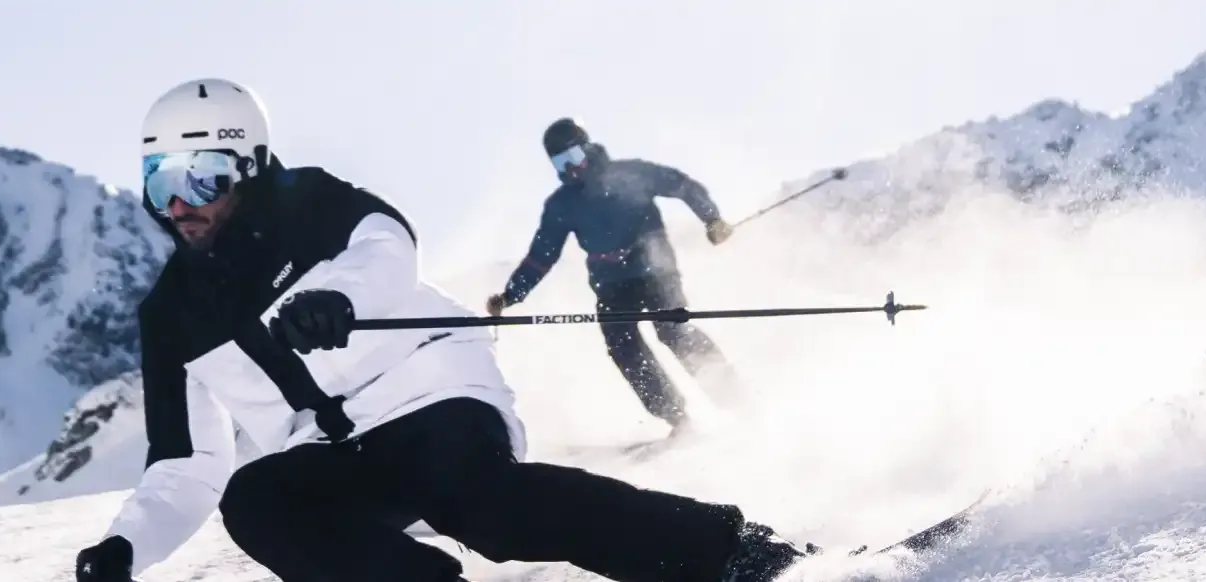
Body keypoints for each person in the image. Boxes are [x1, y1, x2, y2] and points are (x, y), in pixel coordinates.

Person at [71, 78, 813, 582]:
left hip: (431, 400)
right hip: (335, 450)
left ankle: (732, 554)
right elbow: (186, 465)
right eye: (161, 183)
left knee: (482, 506)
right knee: (256, 499)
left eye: (202, 178)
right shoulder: (171, 314)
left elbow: (386, 244)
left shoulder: (305, 203)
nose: (180, 205)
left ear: (253, 164)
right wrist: (123, 549)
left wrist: (335, 295)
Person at [483, 118, 740, 435]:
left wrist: (712, 218)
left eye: (574, 157)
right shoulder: (562, 205)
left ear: (587, 148)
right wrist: (511, 295)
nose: (571, 168)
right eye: (561, 163)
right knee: (623, 346)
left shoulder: (631, 173)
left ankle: (734, 399)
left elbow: (682, 185)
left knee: (672, 330)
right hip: (612, 284)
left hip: (654, 268)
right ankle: (677, 419)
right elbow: (541, 256)